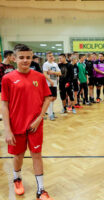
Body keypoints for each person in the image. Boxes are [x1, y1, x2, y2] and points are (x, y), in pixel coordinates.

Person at [1, 44, 54, 200]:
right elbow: (3, 104)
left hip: (35, 125)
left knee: (37, 155)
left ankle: (41, 190)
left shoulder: (39, 77)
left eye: (28, 57)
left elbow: (47, 98)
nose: (25, 60)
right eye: (21, 57)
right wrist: (7, 130)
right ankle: (17, 178)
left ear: (32, 58)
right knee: (18, 156)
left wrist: (39, 118)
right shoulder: (7, 79)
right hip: (16, 125)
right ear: (14, 58)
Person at [42, 52, 61, 121]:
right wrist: (50, 81)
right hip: (49, 84)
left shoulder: (55, 64)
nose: (51, 57)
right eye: (49, 56)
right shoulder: (46, 64)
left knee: (54, 98)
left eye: (52, 56)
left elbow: (59, 73)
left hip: (55, 83)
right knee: (50, 98)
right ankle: (50, 114)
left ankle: (50, 112)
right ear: (47, 57)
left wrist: (53, 72)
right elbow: (45, 74)